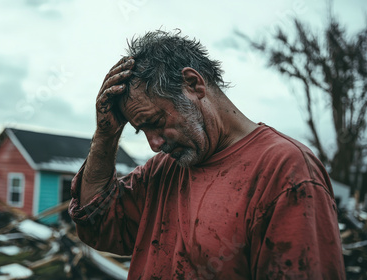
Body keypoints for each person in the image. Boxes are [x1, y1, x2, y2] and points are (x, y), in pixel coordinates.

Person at [68, 30, 345, 279]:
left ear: (193, 84)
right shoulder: (162, 171)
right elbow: (98, 224)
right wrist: (105, 136)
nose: (154, 144)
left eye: (155, 121)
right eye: (142, 131)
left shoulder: (285, 171)